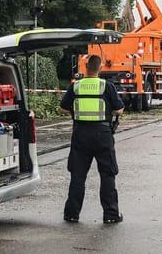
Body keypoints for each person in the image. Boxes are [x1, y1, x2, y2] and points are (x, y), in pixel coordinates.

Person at [59, 54, 124, 224]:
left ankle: (72, 214)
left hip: (80, 134)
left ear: (86, 67)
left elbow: (63, 108)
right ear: (100, 68)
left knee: (78, 176)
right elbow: (119, 109)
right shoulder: (106, 86)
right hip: (103, 134)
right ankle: (111, 215)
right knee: (107, 174)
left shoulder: (76, 86)